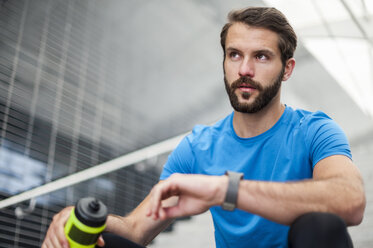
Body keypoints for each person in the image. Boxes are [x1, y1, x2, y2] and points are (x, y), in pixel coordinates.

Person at [42, 7, 366, 248]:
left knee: (320, 226)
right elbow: (136, 229)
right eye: (234, 54)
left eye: (262, 57)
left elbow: (350, 202)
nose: (245, 70)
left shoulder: (315, 131)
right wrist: (84, 221)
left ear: (287, 69)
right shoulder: (198, 146)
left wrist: (226, 189)